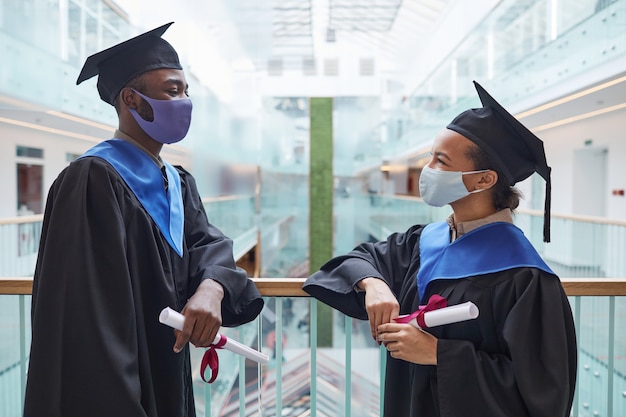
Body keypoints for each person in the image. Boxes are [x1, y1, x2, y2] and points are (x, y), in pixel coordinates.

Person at [24, 22, 264, 417]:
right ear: (132, 100)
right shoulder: (92, 180)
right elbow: (89, 327)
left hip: (167, 373)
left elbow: (208, 245)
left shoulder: (176, 181)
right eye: (173, 90)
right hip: (117, 390)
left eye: (187, 91)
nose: (184, 101)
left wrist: (212, 288)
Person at [303, 81, 577, 417]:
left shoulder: (525, 278)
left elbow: (543, 396)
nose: (427, 169)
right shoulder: (424, 242)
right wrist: (372, 284)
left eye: (441, 161)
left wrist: (438, 354)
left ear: (483, 180)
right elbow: (353, 261)